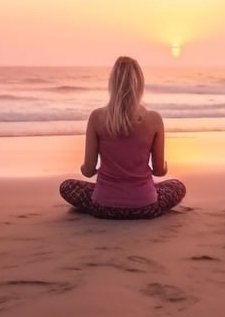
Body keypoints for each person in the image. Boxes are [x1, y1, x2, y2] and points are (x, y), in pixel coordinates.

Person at [59, 56, 186, 219]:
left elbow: (88, 171)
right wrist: (164, 166)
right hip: (145, 207)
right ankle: (138, 193)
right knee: (177, 186)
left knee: (67, 186)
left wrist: (92, 169)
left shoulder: (97, 117)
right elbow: (159, 171)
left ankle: (116, 197)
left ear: (112, 84)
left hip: (104, 207)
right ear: (140, 84)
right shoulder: (154, 119)